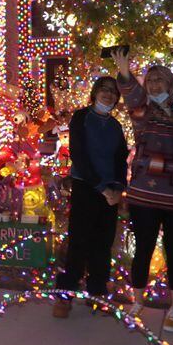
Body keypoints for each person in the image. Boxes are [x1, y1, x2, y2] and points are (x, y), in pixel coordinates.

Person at [112, 49, 173, 332]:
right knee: (143, 249)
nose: (155, 84)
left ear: (171, 85)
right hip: (144, 196)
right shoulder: (143, 112)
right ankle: (137, 301)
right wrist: (124, 71)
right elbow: (132, 94)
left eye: (161, 80)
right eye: (151, 80)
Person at [53, 77, 128, 318]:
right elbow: (79, 154)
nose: (108, 94)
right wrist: (101, 187)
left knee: (103, 243)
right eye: (103, 90)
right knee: (78, 242)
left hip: (109, 193)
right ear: (94, 93)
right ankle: (65, 294)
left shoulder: (116, 126)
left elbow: (120, 159)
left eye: (112, 91)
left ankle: (97, 291)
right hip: (86, 186)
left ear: (117, 97)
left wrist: (117, 189)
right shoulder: (81, 117)